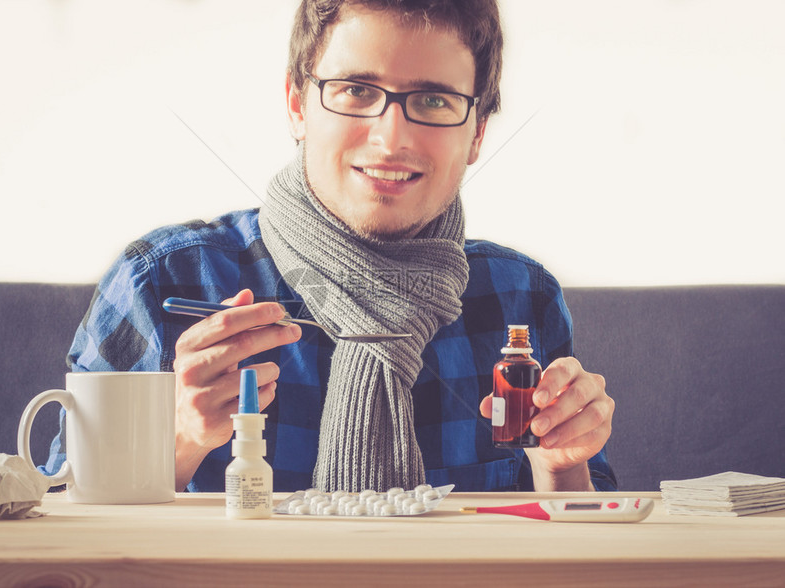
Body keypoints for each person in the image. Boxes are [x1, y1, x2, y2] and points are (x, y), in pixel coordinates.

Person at [46, 0, 616, 494]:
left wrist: (563, 468)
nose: (391, 139)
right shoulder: (165, 280)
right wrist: (174, 443)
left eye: (435, 101)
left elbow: (583, 544)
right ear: (298, 104)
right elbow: (53, 520)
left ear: (478, 133)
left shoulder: (521, 297)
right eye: (356, 90)